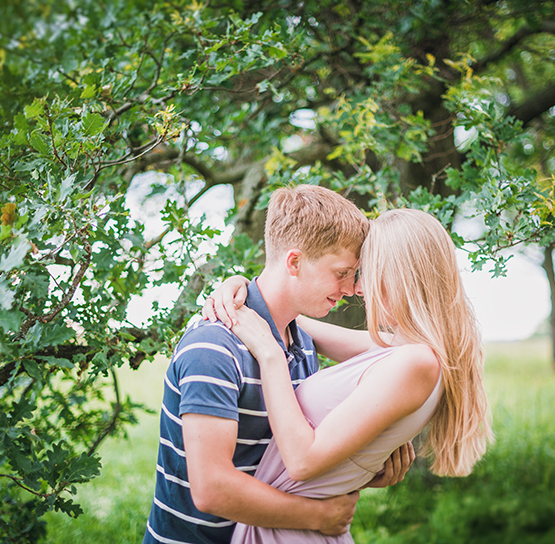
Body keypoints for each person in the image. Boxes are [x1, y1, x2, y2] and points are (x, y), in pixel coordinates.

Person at [204, 208, 493, 543]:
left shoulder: (416, 364)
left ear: (399, 276)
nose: (357, 289)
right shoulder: (403, 350)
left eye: (366, 273)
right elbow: (289, 315)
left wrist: (270, 356)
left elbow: (301, 461)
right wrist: (243, 287)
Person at [143, 185, 412, 544]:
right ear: (294, 262)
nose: (350, 289)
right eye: (341, 272)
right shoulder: (214, 346)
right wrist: (317, 516)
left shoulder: (299, 341)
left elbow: (277, 460)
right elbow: (211, 489)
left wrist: (362, 469)